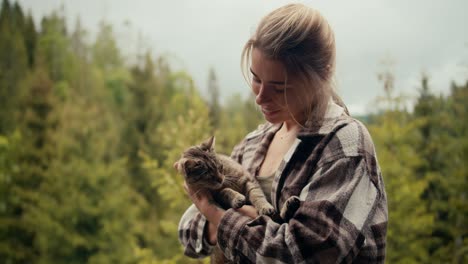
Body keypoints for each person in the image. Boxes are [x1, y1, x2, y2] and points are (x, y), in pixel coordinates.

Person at [178, 3, 388, 263]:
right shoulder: (253, 144)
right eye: (256, 78)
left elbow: (303, 254)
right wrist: (225, 221)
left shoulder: (344, 145)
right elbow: (188, 233)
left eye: (279, 87)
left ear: (322, 76)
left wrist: (220, 218)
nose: (260, 97)